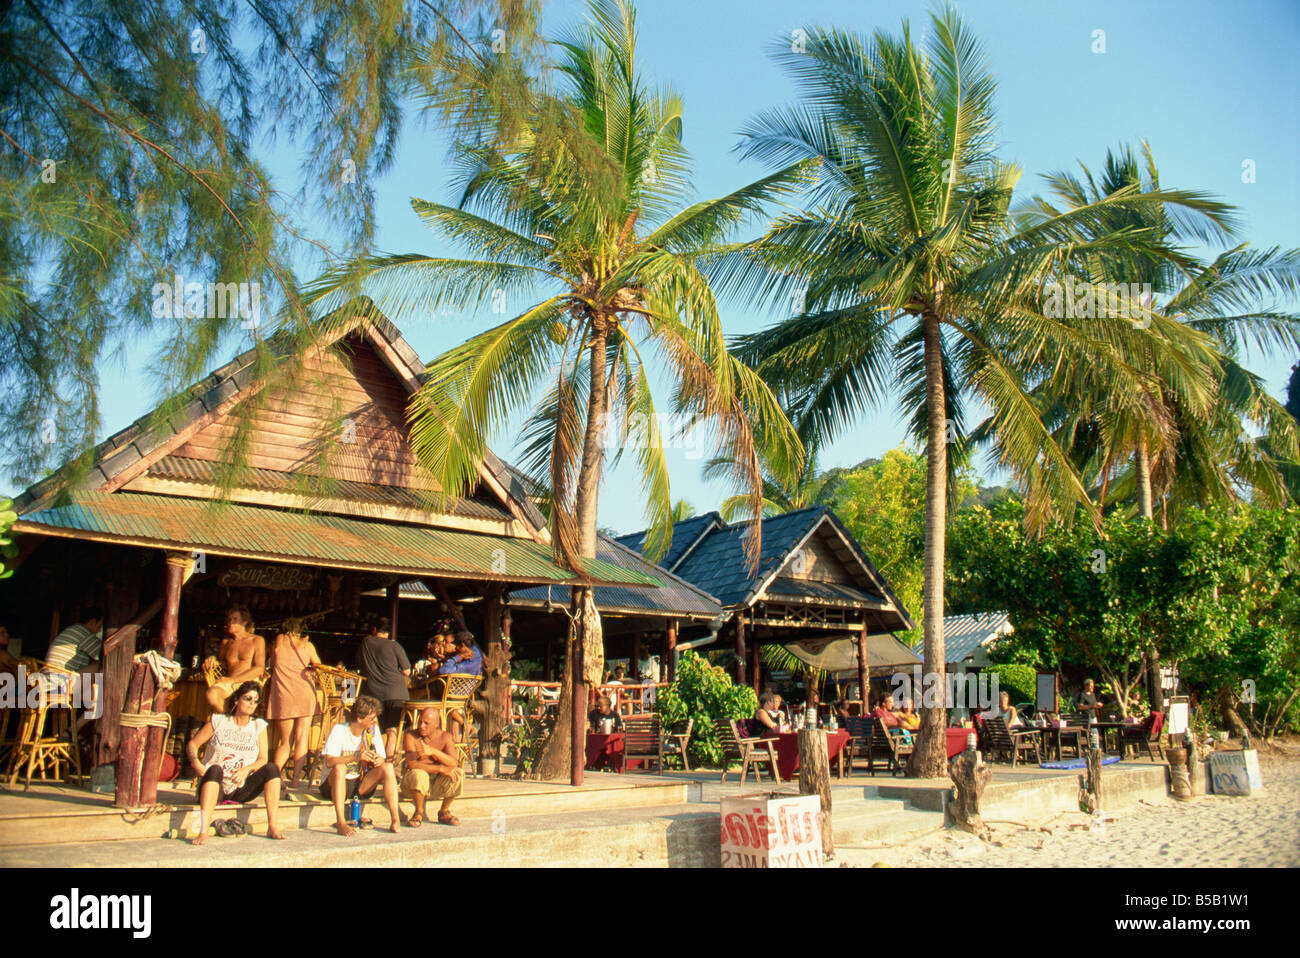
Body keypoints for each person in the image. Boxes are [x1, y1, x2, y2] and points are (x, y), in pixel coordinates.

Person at [186, 680, 284, 845]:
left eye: (256, 700)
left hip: (239, 788)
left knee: (272, 768)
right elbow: (192, 744)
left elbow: (262, 759)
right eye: (248, 698)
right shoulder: (219, 721)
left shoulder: (258, 726)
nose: (252, 703)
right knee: (215, 769)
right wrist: (195, 762)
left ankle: (272, 825)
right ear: (236, 700)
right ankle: (203, 831)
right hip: (214, 785)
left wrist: (247, 769)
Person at [319, 695, 403, 836]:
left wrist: (378, 760)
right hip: (334, 784)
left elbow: (382, 757)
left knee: (387, 767)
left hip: (360, 782)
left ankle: (395, 819)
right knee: (340, 767)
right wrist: (356, 756)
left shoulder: (373, 731)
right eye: (371, 718)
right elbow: (329, 762)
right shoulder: (339, 730)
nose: (375, 721)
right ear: (359, 719)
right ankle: (341, 822)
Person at [265, 619, 321, 789]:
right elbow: (318, 666)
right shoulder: (307, 645)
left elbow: (273, 664)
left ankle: (275, 778)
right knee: (302, 736)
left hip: (283, 693)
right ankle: (296, 779)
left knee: (285, 741)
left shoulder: (278, 642)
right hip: (305, 691)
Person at [356, 617, 410, 759]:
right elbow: (407, 672)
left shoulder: (366, 643)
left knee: (374, 729)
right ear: (388, 632)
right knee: (392, 730)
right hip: (397, 692)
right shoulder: (394, 645)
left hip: (374, 693)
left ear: (374, 630)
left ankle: (373, 759)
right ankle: (389, 761)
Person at [401, 707, 463, 826]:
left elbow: (454, 762)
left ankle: (444, 811)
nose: (421, 726)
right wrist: (440, 768)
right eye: (420, 722)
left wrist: (433, 752)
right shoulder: (410, 736)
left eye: (426, 723)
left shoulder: (445, 737)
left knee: (458, 772)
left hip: (435, 784)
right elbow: (412, 764)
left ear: (436, 724)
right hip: (414, 785)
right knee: (419, 773)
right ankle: (419, 812)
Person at [204, 606, 267, 712]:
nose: (230, 622)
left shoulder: (256, 640)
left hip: (248, 683)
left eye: (234, 619)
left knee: (243, 700)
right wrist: (212, 658)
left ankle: (233, 720)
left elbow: (259, 668)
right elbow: (219, 662)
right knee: (211, 694)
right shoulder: (226, 642)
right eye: (229, 619)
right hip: (229, 684)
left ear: (244, 622)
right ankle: (231, 720)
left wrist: (233, 680)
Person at [44, 607, 104, 672]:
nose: (99, 630)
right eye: (99, 626)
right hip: (61, 677)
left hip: (51, 674)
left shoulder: (75, 629)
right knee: (101, 664)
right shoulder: (83, 632)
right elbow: (104, 655)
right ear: (92, 622)